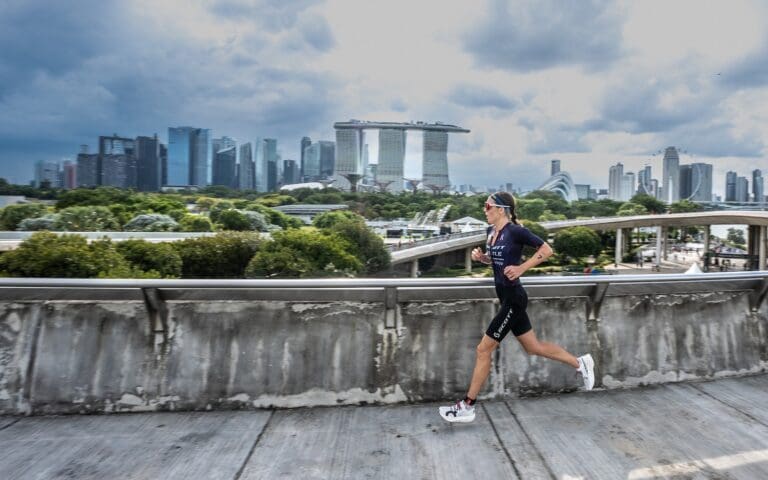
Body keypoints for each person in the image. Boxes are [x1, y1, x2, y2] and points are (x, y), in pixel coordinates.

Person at [439, 192, 595, 423]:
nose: (485, 209)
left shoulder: (516, 231)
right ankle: (580, 363)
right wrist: (483, 259)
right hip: (507, 298)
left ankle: (467, 406)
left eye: (488, 206)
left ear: (501, 209)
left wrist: (522, 268)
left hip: (514, 299)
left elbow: (546, 250)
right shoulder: (491, 232)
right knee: (533, 347)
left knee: (483, 350)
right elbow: (499, 260)